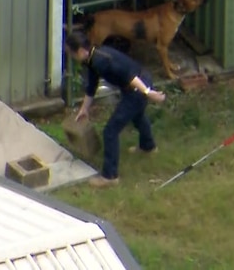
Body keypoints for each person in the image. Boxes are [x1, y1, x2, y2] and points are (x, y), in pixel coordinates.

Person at [65, 30, 166, 188]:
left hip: (137, 85)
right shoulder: (92, 58)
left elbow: (128, 76)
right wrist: (84, 109)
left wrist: (147, 92)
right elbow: (92, 87)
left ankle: (110, 176)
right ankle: (148, 147)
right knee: (137, 115)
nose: (71, 57)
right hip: (135, 85)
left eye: (71, 53)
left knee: (110, 131)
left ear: (79, 51)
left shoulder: (101, 60)